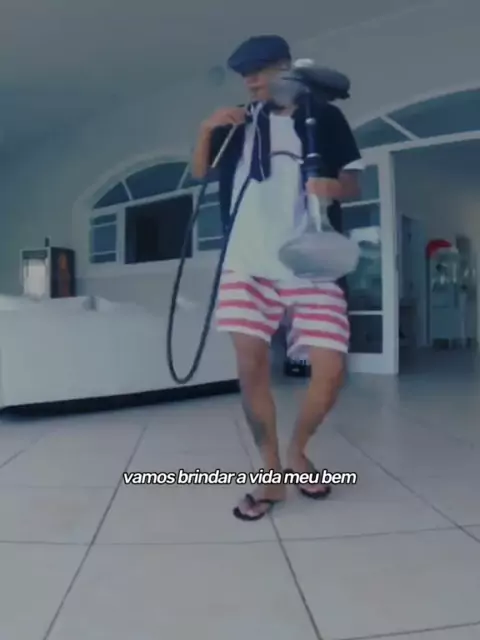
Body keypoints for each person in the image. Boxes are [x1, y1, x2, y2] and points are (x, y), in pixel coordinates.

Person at [192, 35, 363, 521]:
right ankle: (271, 472)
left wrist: (331, 187)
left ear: (288, 67)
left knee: (330, 371)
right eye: (245, 74)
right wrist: (206, 128)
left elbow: (353, 182)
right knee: (251, 367)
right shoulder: (237, 123)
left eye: (262, 70)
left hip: (312, 260)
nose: (251, 80)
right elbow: (201, 173)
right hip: (247, 262)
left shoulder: (323, 116)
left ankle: (297, 452)